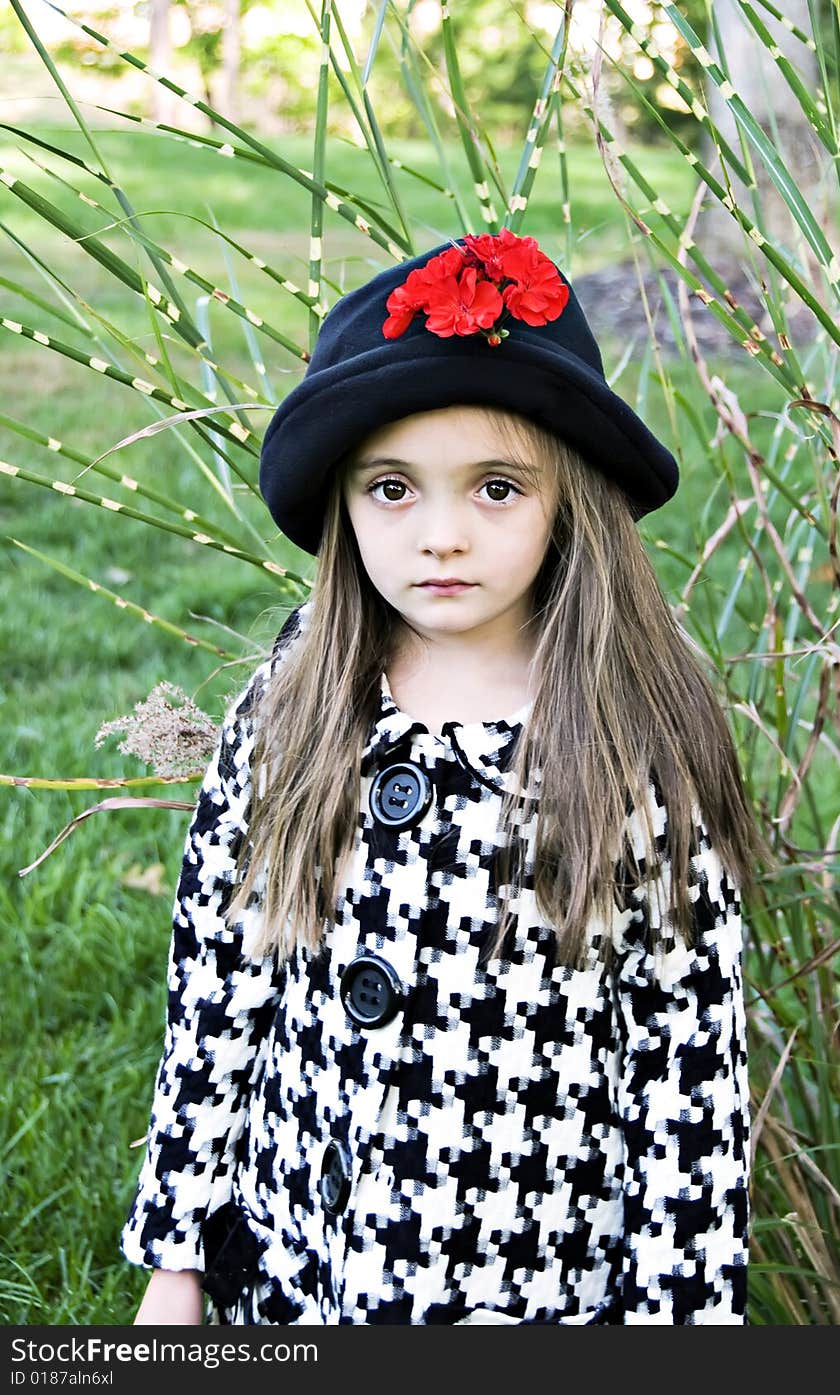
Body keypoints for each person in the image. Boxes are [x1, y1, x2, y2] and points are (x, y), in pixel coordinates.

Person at [121, 229, 771, 1325]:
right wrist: (178, 1260)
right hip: (303, 1264)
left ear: (571, 496)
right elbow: (219, 987)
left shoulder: (629, 740)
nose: (440, 536)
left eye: (497, 488)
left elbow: (685, 1078)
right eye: (391, 488)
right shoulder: (296, 705)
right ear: (341, 500)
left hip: (533, 1283)